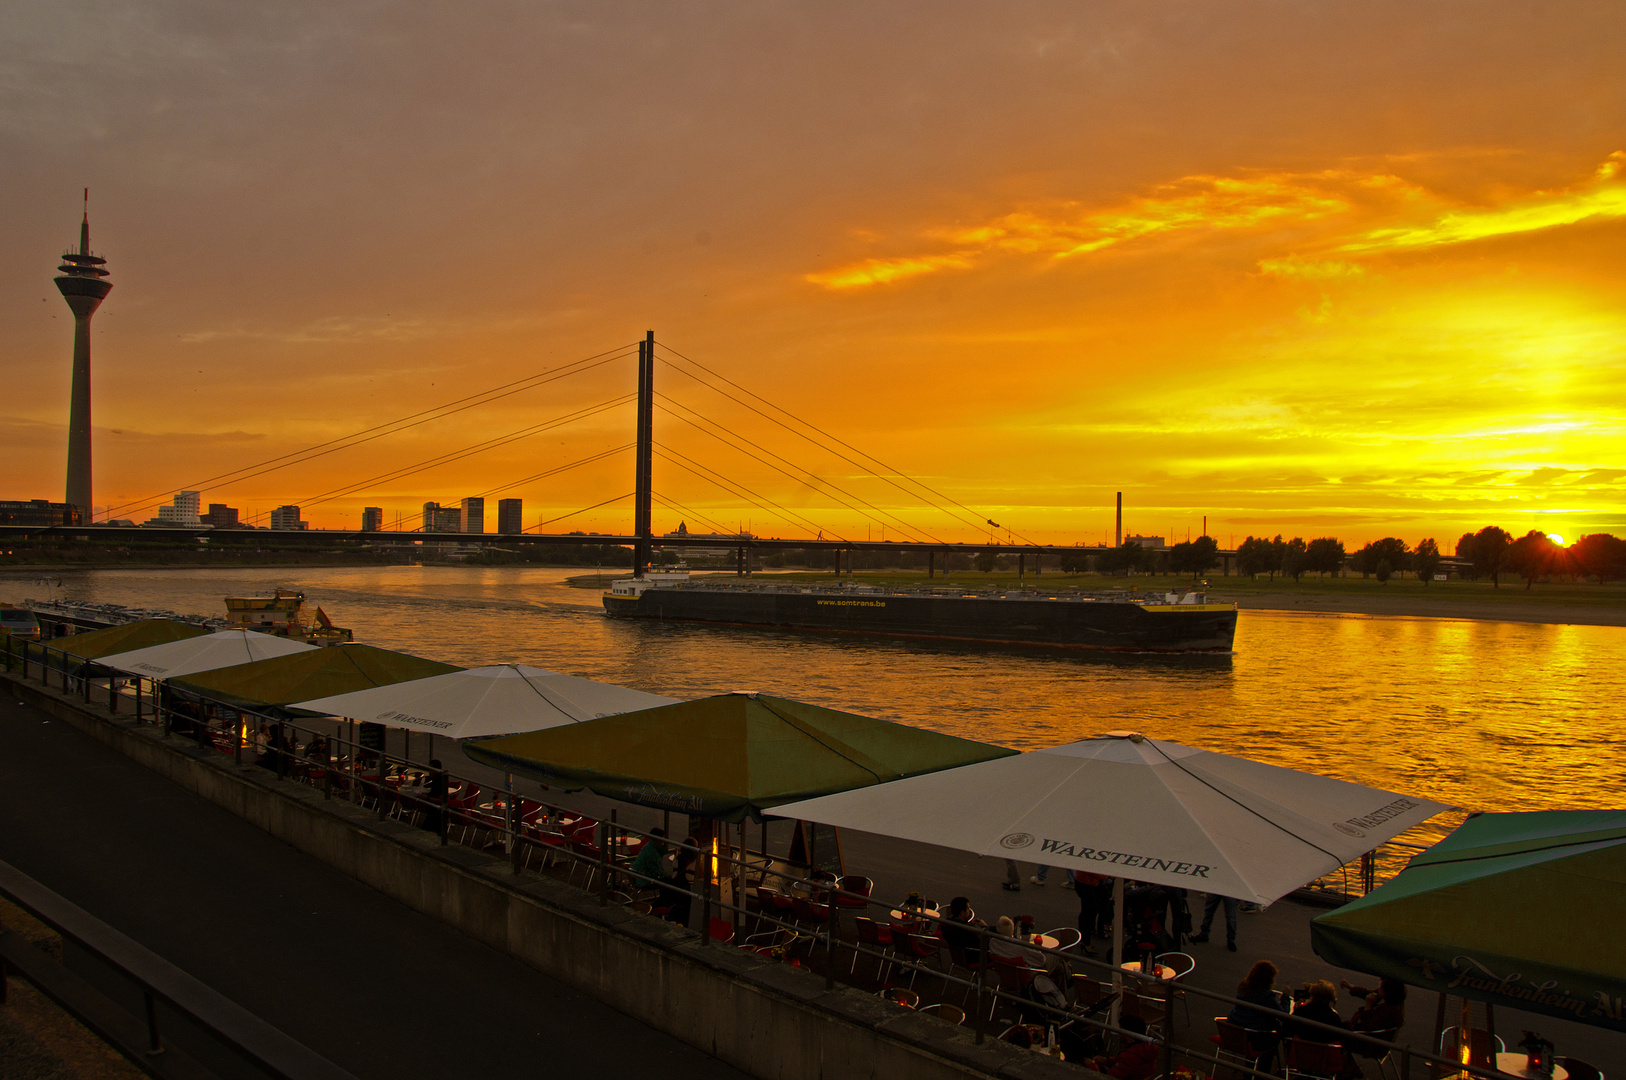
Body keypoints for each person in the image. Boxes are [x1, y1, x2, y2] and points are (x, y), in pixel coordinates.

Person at [1227, 960, 1287, 1067]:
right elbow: (1283, 1015)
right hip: (1253, 1035)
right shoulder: (1266, 995)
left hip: (1233, 1031)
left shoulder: (1243, 986)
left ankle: (1251, 1064)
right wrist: (1285, 998)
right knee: (1277, 1031)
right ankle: (1262, 1069)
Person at [1085, 1015, 1159, 1080]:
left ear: (1129, 1034)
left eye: (1121, 1030)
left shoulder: (1129, 1057)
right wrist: (1106, 1061)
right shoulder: (1146, 1049)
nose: (1119, 1033)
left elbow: (1108, 1078)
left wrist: (1090, 1066)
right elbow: (1124, 1065)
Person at [661, 836, 700, 926]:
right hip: (689, 891)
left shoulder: (678, 859)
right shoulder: (696, 862)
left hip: (675, 889)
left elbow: (674, 872)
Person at [1290, 980, 1345, 1044]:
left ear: (1312, 995)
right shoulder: (1334, 1019)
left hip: (1298, 1052)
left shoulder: (1301, 1011)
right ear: (1331, 998)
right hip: (1324, 1053)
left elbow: (1287, 1030)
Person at [1069, 868, 1108, 955]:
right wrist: (1104, 875)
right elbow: (1088, 870)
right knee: (1088, 912)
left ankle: (1084, 939)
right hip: (1085, 883)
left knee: (1089, 911)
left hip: (1089, 883)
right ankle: (1085, 941)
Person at [939, 896, 986, 960]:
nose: (969, 911)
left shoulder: (945, 925)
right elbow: (982, 942)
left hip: (957, 958)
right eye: (968, 909)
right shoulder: (967, 930)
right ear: (962, 914)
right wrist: (984, 927)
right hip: (973, 958)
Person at [422, 758, 448, 834]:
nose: (429, 771)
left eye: (430, 768)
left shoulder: (439, 780)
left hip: (436, 811)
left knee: (427, 829)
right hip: (435, 810)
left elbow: (440, 799)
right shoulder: (438, 778)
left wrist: (427, 797)